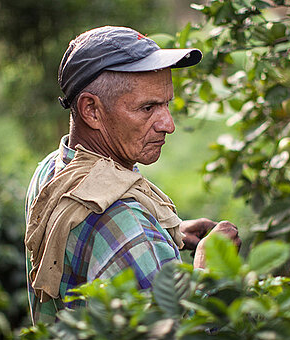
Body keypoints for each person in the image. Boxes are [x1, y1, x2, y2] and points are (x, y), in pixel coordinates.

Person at [24, 26, 241, 324]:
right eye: (148, 107)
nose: (168, 124)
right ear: (92, 110)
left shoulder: (51, 171)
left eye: (166, 104)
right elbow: (183, 332)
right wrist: (209, 271)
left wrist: (164, 232)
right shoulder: (132, 235)